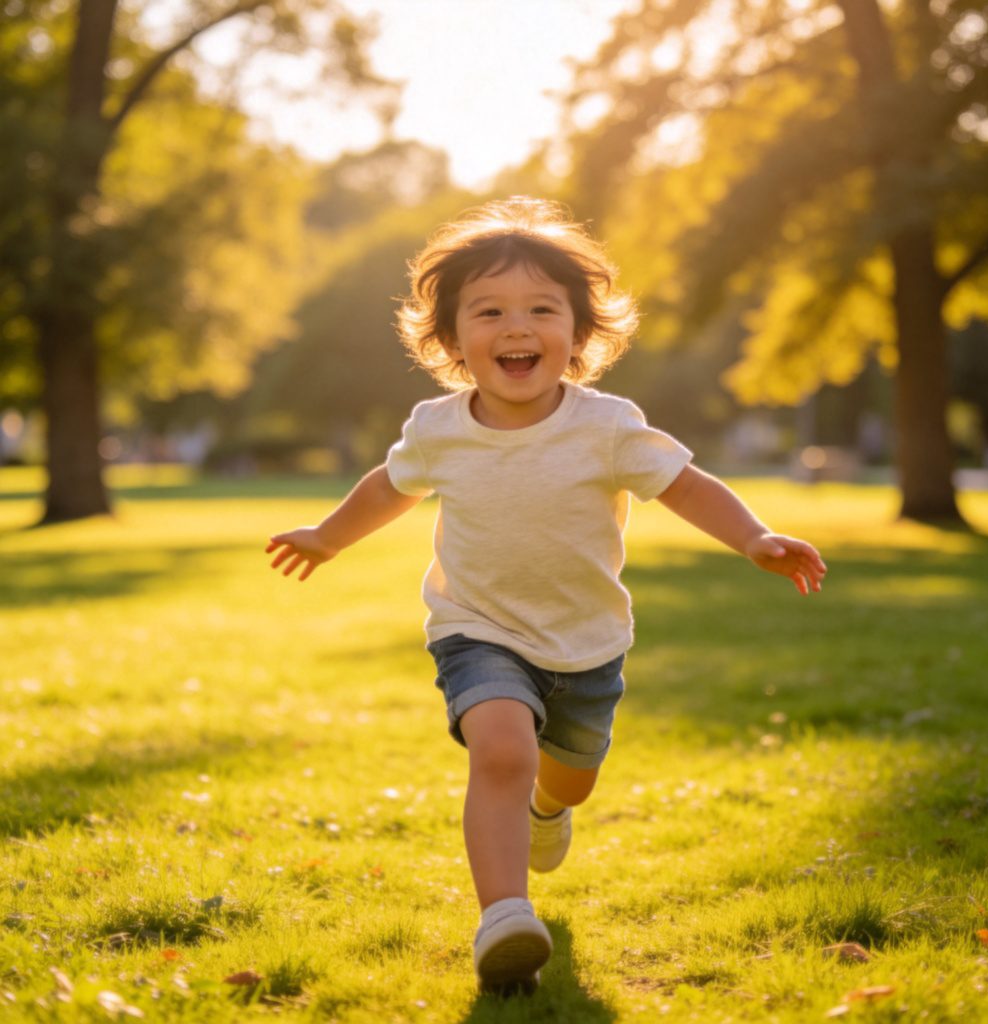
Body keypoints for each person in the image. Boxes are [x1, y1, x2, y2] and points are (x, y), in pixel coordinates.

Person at [266, 197, 826, 994]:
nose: (516, 327)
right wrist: (327, 535)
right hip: (479, 629)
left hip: (587, 645)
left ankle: (547, 812)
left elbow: (688, 487)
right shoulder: (439, 427)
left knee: (568, 777)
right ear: (455, 340)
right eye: (489, 311)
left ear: (580, 333)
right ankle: (504, 920)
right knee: (501, 750)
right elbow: (387, 489)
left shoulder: (607, 426)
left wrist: (754, 537)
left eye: (541, 309)